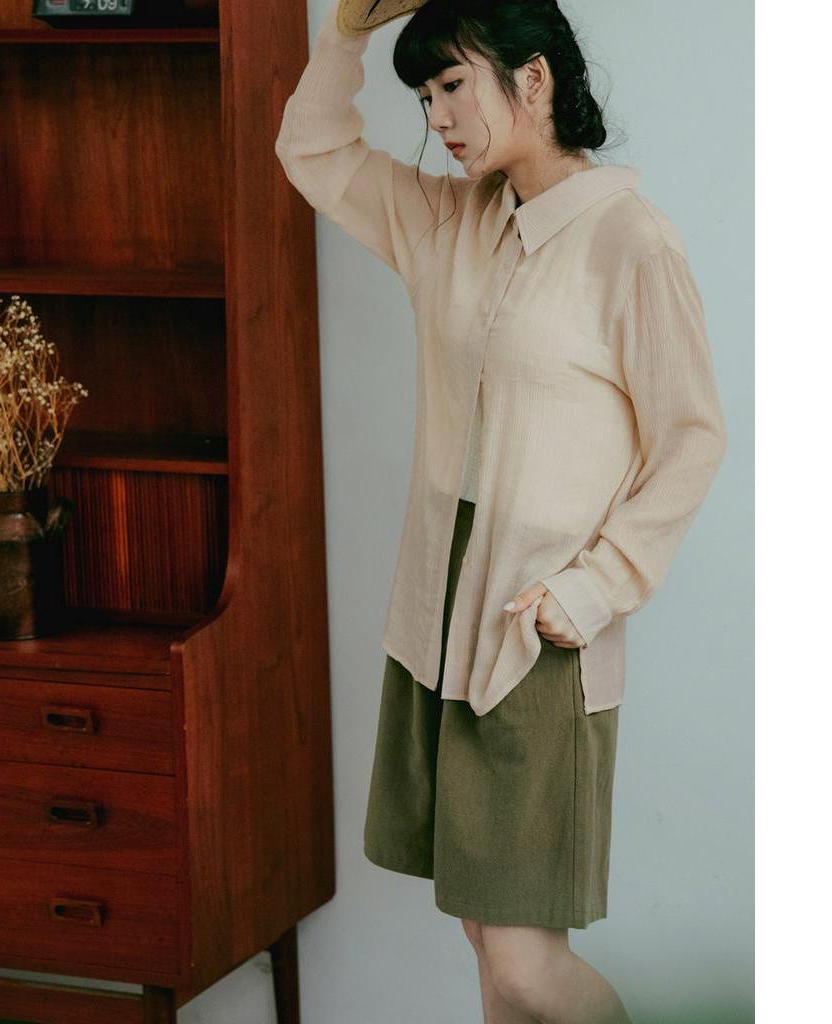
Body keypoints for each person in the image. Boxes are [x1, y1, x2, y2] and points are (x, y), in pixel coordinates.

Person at [276, 2, 727, 1022]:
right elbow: (311, 152)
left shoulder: (630, 242)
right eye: (423, 95)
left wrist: (594, 587)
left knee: (525, 963)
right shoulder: (451, 219)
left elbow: (691, 437)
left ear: (532, 79)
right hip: (437, 617)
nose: (436, 116)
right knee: (487, 939)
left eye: (452, 85)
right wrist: (343, 35)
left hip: (538, 627)